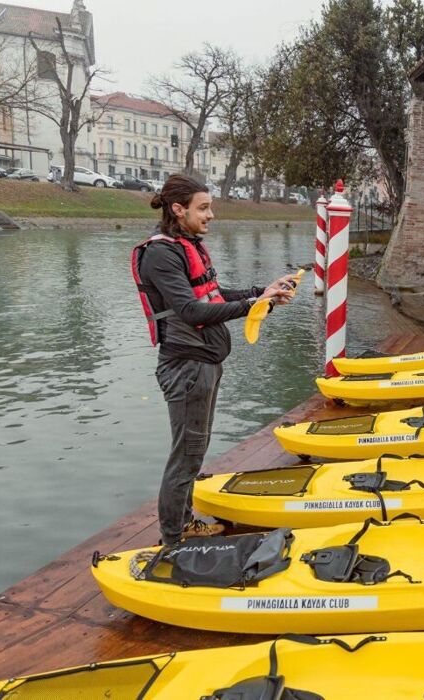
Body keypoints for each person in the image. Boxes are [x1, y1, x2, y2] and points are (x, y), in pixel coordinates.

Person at [132, 174, 296, 546]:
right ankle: (172, 539)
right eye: (203, 208)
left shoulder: (186, 245)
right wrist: (252, 305)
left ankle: (184, 524)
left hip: (204, 363)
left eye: (210, 207)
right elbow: (190, 310)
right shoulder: (161, 254)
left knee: (195, 450)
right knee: (186, 456)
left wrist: (262, 293)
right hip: (186, 366)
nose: (211, 215)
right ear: (178, 209)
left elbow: (214, 293)